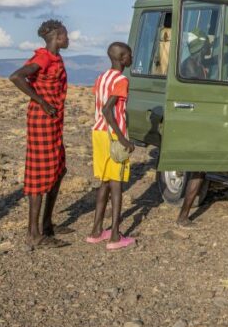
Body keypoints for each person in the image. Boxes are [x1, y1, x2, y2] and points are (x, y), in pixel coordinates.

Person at [9, 20, 71, 249]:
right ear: (57, 37)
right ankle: (33, 234)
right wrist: (41, 101)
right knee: (39, 176)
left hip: (53, 122)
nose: (68, 38)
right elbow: (16, 76)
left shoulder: (55, 57)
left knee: (58, 169)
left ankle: (47, 225)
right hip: (42, 122)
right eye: (66, 35)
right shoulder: (43, 57)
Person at [86, 43, 136, 250]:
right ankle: (115, 235)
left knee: (104, 182)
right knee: (117, 184)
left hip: (98, 132)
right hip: (113, 135)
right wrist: (123, 139)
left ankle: (96, 231)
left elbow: (100, 104)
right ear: (123, 58)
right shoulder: (122, 80)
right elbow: (108, 109)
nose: (132, 58)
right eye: (130, 55)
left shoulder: (102, 77)